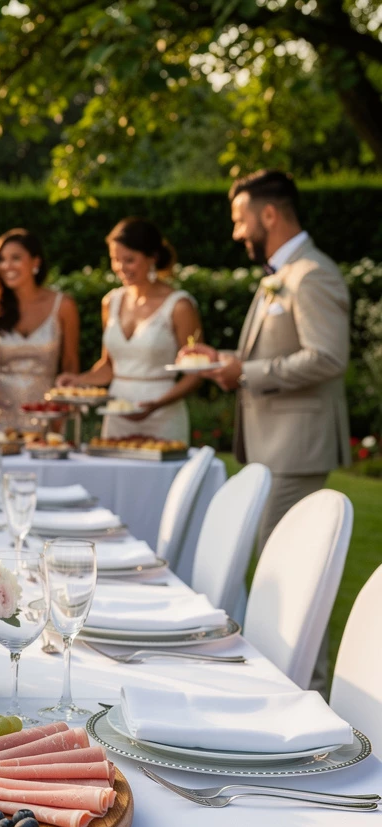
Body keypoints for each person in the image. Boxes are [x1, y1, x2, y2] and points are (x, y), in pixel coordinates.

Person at [205, 169, 351, 549]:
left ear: (268, 214)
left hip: (296, 449)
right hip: (272, 446)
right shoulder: (281, 273)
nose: (237, 233)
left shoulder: (313, 274)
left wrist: (246, 372)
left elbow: (327, 358)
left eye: (240, 221)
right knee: (269, 554)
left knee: (279, 555)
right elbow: (273, 351)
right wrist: (222, 361)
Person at [57, 218, 204, 442]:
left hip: (163, 415)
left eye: (129, 260)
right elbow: (108, 367)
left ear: (152, 257)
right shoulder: (111, 302)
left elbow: (196, 374)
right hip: (116, 415)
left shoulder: (179, 306)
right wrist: (77, 381)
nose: (120, 268)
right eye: (115, 260)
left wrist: (156, 405)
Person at [0, 228, 79, 427]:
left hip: (45, 410)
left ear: (35, 262)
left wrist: (62, 407)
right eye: (1, 260)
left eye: (15, 258)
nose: (6, 266)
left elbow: (70, 364)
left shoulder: (63, 306)